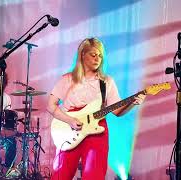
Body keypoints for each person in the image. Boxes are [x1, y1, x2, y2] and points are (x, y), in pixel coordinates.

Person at [47, 37, 146, 180]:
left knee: (95, 174)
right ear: (82, 55)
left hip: (97, 128)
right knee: (61, 174)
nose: (97, 58)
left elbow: (117, 111)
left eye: (100, 55)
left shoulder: (106, 82)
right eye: (93, 55)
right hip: (69, 128)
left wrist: (132, 103)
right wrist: (69, 120)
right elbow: (51, 106)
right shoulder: (68, 79)